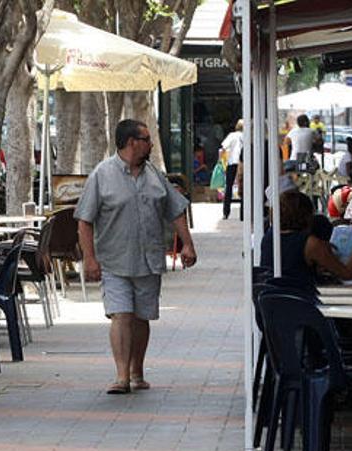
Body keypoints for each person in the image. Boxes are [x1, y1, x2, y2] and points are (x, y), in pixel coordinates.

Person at [75, 119, 196, 395]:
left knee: (141, 317)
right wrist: (89, 259)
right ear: (132, 142)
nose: (151, 144)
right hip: (114, 259)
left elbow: (175, 210)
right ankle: (121, 376)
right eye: (146, 139)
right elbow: (84, 220)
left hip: (148, 259)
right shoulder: (101, 175)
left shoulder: (154, 174)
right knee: (121, 315)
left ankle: (136, 371)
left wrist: (187, 244)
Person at [261, 191, 352, 289]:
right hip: (302, 299)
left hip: (275, 298)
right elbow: (346, 273)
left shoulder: (268, 238)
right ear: (306, 214)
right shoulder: (310, 243)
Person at [219, 120, 243, 220]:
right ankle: (243, 213)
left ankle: (226, 212)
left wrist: (221, 161)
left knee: (228, 187)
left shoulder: (232, 135)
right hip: (243, 163)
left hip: (232, 162)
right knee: (244, 187)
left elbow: (223, 147)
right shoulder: (247, 135)